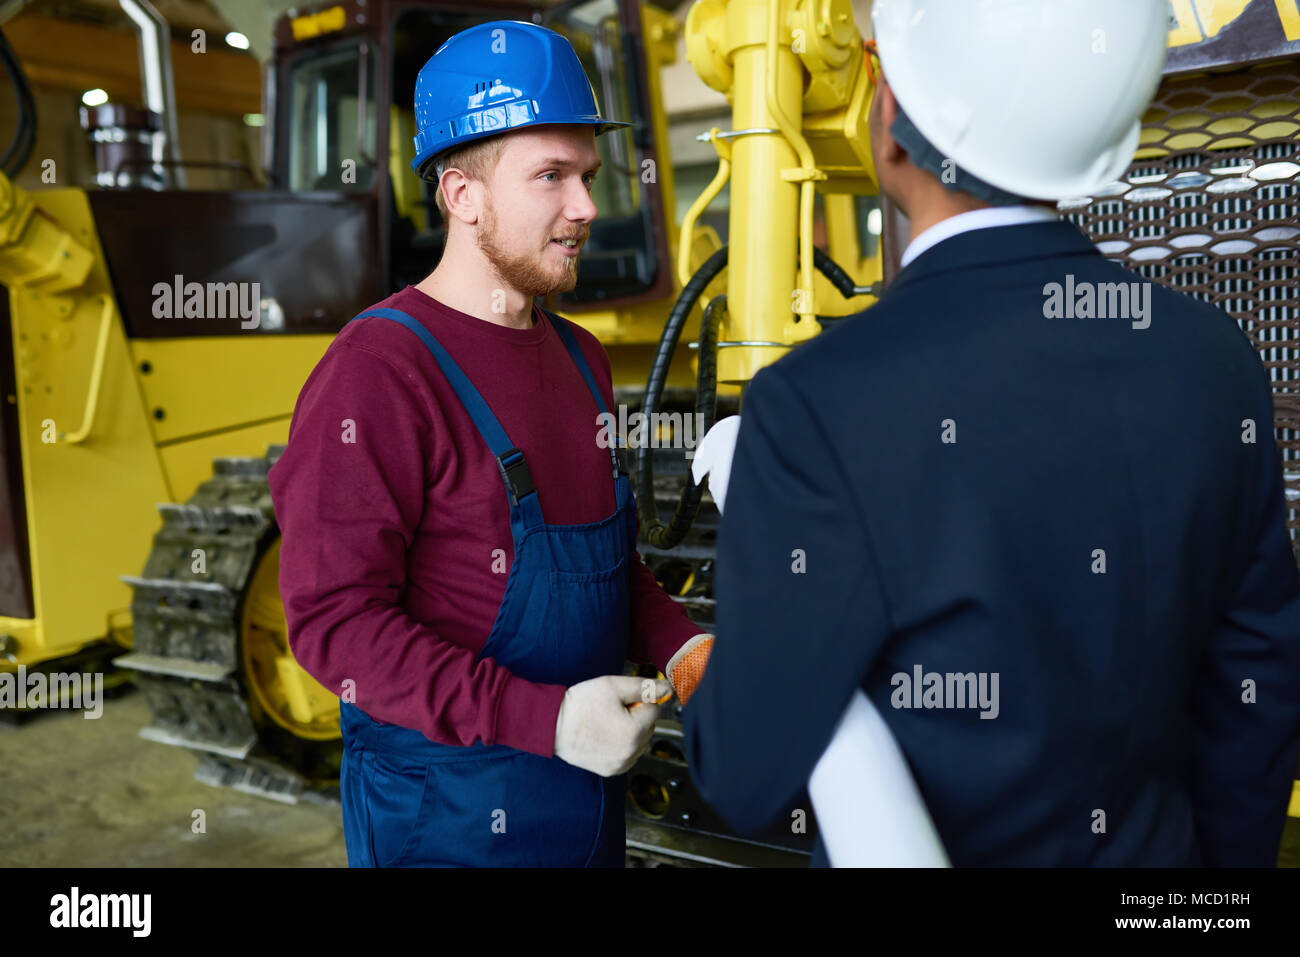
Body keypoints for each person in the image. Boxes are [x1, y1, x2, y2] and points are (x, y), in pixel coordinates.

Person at [684, 0, 1300, 866]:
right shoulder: (1213, 360)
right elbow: (1258, 692)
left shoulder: (815, 402)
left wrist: (766, 536)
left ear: (892, 121)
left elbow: (746, 771)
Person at [269, 19, 712, 867]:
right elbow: (333, 622)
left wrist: (679, 642)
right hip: (446, 816)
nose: (586, 205)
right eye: (550, 175)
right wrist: (541, 720)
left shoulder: (580, 356)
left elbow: (605, 556)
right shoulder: (378, 371)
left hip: (585, 804)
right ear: (462, 196)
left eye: (586, 173)